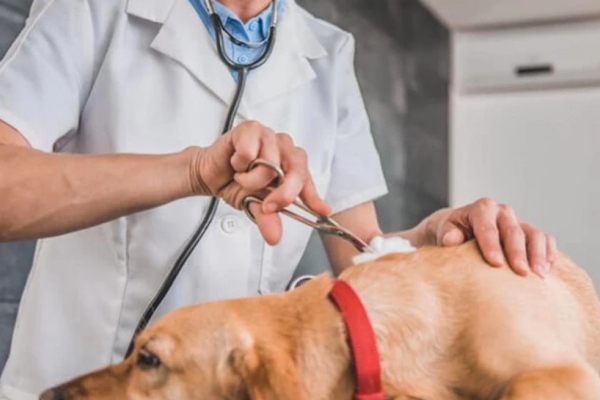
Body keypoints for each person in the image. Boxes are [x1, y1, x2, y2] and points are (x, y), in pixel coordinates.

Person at [0, 0, 556, 398]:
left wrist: (426, 244)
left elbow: (361, 259)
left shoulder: (328, 53)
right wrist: (191, 171)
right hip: (73, 382)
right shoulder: (94, 10)